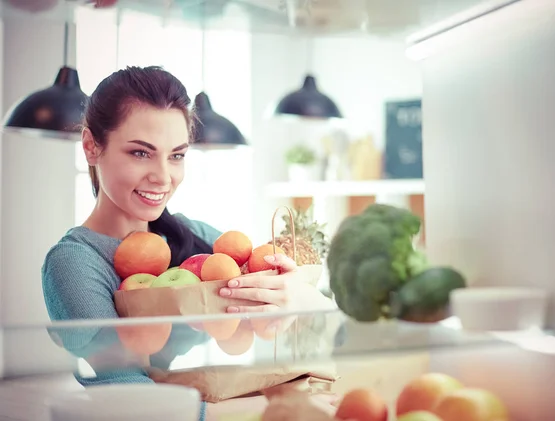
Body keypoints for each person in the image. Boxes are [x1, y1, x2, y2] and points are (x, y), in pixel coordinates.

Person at [41, 65, 336, 421]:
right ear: (91, 147)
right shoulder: (73, 263)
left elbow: (304, 314)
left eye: (177, 155)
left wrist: (294, 292)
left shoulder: (197, 238)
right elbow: (124, 391)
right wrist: (271, 407)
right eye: (140, 153)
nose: (163, 176)